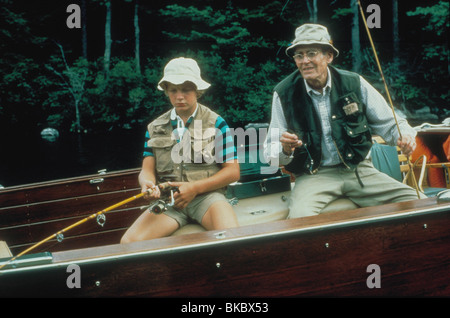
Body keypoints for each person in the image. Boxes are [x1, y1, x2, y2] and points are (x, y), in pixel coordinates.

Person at [264, 23, 427, 219]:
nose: (305, 61)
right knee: (299, 220)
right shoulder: (283, 93)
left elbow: (392, 124)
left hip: (360, 171)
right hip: (314, 176)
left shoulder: (354, 83)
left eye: (312, 53)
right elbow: (271, 156)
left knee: (420, 203)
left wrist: (405, 137)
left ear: (329, 56)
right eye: (299, 55)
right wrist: (285, 149)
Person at [121, 57, 239, 243]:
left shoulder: (217, 122)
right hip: (170, 203)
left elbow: (233, 172)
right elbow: (147, 170)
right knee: (128, 243)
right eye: (173, 90)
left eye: (186, 89)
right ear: (166, 91)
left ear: (197, 91)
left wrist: (194, 188)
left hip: (207, 198)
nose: (179, 96)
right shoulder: (154, 127)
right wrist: (147, 184)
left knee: (233, 239)